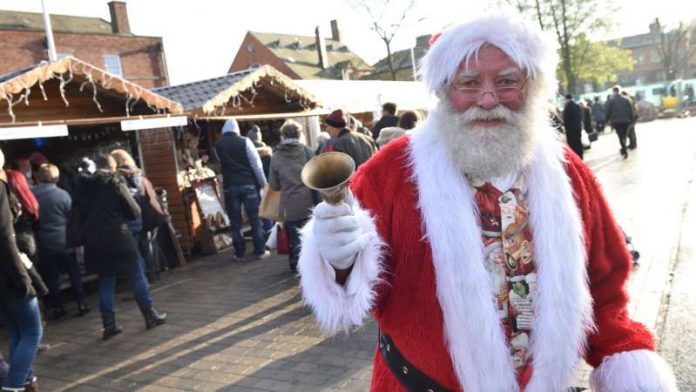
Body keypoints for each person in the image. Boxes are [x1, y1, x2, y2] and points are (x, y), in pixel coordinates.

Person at [297, 13, 677, 391]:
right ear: (447, 90)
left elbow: (606, 287)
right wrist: (339, 261)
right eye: (470, 83)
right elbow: (365, 292)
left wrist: (625, 357)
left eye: (508, 82)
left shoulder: (568, 173)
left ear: (532, 88)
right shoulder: (391, 172)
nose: (489, 98)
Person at [76, 155, 166, 340]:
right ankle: (150, 315)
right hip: (118, 236)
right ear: (112, 167)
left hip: (94, 240)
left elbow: (78, 214)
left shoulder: (82, 187)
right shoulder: (114, 182)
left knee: (106, 281)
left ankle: (109, 325)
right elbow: (134, 211)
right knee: (136, 275)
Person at [0, 148, 42, 392]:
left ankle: (25, 383)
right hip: (8, 272)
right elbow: (5, 238)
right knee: (32, 332)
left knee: (17, 332)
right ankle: (14, 386)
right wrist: (22, 279)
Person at [33, 163, 89, 319]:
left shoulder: (32, 195)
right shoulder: (63, 195)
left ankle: (58, 307)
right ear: (56, 177)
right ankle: (81, 303)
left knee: (52, 276)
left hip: (44, 241)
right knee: (73, 272)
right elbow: (71, 217)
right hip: (64, 239)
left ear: (38, 177)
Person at [214, 119, 269, 261]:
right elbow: (256, 164)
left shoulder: (218, 145)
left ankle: (239, 253)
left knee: (235, 221)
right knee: (255, 219)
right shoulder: (245, 142)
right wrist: (263, 184)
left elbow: (221, 165)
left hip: (230, 186)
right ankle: (260, 250)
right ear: (237, 129)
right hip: (248, 184)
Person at [110, 149, 168, 281]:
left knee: (137, 250)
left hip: (132, 217)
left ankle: (143, 277)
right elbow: (152, 197)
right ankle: (154, 272)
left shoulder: (119, 178)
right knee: (149, 246)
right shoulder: (139, 175)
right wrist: (162, 213)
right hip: (148, 215)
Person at [268, 120, 317, 272]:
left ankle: (301, 269)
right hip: (310, 202)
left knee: (296, 240)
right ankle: (315, 267)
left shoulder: (276, 157)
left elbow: (274, 185)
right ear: (299, 134)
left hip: (289, 206)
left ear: (283, 135)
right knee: (312, 237)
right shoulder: (308, 152)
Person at [606, 86, 637, 159]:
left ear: (613, 91)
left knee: (620, 136)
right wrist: (633, 119)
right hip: (626, 121)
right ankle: (624, 147)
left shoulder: (611, 101)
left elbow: (608, 111)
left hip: (616, 121)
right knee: (625, 135)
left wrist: (607, 120)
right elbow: (631, 110)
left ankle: (624, 149)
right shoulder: (626, 99)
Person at [563, 94, 584, 159]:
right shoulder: (577, 106)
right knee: (578, 142)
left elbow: (566, 120)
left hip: (570, 130)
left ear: (567, 99)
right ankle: (581, 155)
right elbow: (581, 117)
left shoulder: (567, 108)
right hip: (578, 127)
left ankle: (576, 157)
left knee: (572, 144)